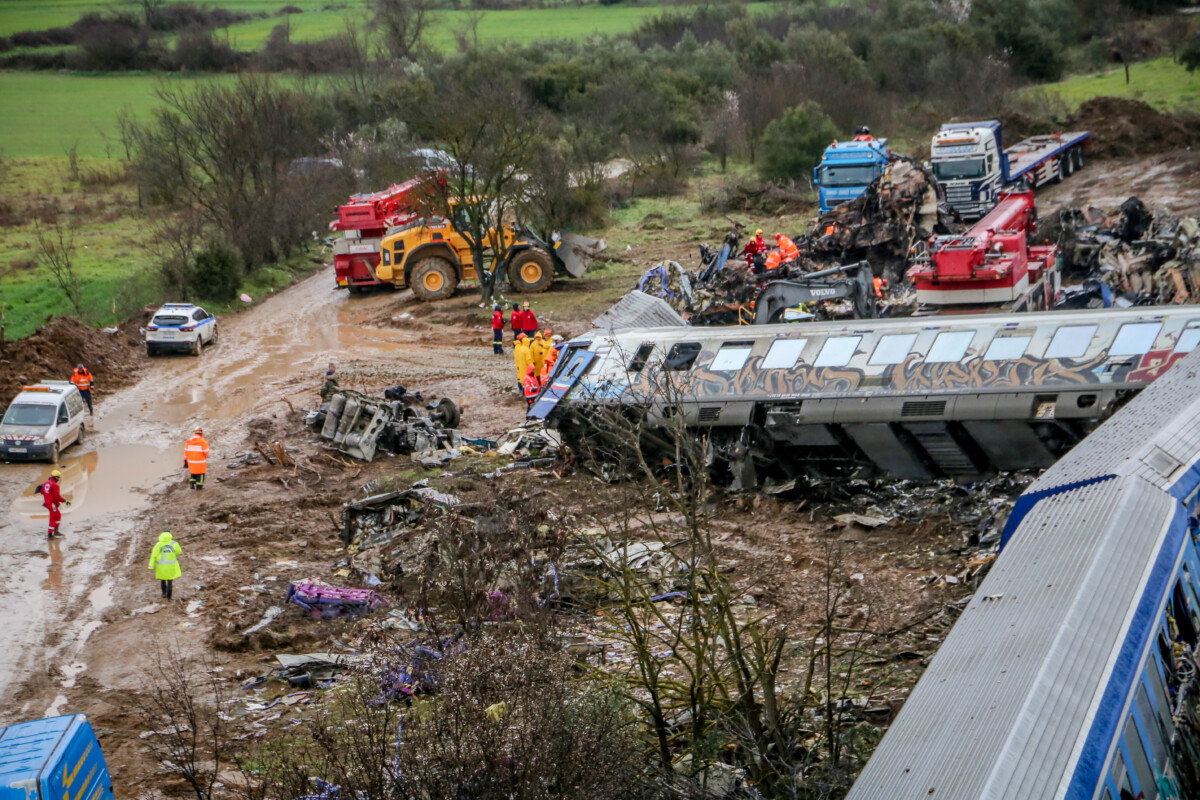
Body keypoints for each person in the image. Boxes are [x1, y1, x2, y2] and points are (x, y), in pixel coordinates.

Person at [148, 531, 182, 600]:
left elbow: (153, 555)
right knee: (170, 581)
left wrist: (151, 566)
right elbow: (179, 552)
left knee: (162, 580)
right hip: (171, 566)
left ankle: (164, 593)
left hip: (161, 567)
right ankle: (169, 596)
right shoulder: (174, 544)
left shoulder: (158, 544)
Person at [40, 469, 69, 538]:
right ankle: (50, 534)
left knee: (58, 515)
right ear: (56, 477)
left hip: (48, 502)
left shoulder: (46, 483)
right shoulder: (55, 485)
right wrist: (65, 501)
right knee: (53, 518)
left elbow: (42, 492)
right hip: (52, 504)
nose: (59, 479)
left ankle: (56, 530)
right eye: (58, 477)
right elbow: (57, 496)